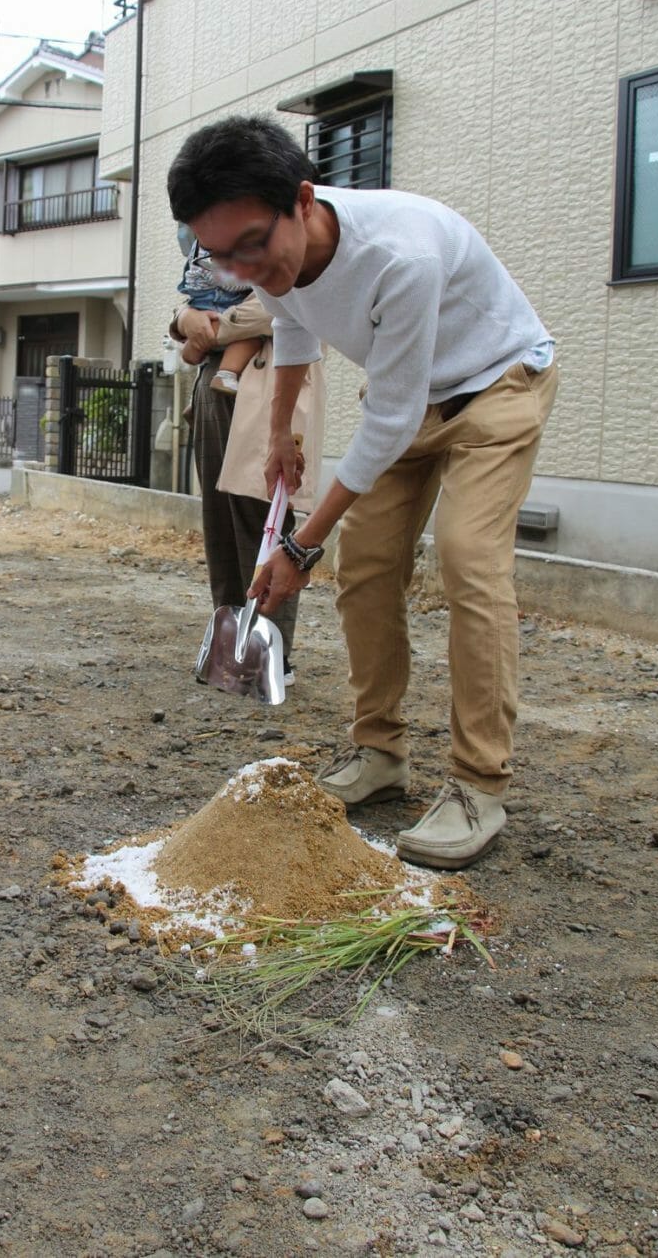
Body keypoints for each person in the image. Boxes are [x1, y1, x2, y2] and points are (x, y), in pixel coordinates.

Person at [168, 115, 558, 869]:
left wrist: (302, 543)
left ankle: (479, 784)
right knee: (369, 570)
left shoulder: (398, 254)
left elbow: (390, 417)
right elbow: (293, 324)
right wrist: (281, 432)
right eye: (222, 256)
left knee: (468, 560)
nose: (245, 264)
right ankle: (380, 752)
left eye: (254, 242)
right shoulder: (268, 261)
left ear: (303, 201)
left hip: (500, 382)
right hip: (412, 399)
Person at [171, 224, 322, 688]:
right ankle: (231, 646)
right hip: (216, 389)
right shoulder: (218, 253)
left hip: (271, 390)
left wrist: (203, 327)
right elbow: (189, 311)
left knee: (266, 519)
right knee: (220, 522)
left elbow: (276, 310)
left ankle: (273, 652)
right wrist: (182, 318)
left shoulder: (289, 250)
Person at [176, 237, 262, 394]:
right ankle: (226, 373)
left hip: (205, 300)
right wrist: (258, 280)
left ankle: (194, 348)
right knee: (250, 333)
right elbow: (228, 281)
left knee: (248, 327)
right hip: (216, 299)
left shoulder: (211, 234)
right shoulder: (212, 241)